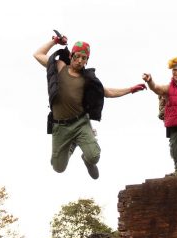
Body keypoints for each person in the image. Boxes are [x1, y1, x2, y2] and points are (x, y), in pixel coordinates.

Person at [33, 32, 146, 179]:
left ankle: (87, 161)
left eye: (84, 58)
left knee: (94, 156)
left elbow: (107, 92)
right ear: (71, 55)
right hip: (60, 126)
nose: (80, 60)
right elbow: (38, 54)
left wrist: (130, 90)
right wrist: (55, 41)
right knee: (58, 168)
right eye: (77, 56)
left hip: (80, 123)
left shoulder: (88, 79)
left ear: (87, 60)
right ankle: (72, 144)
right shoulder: (59, 66)